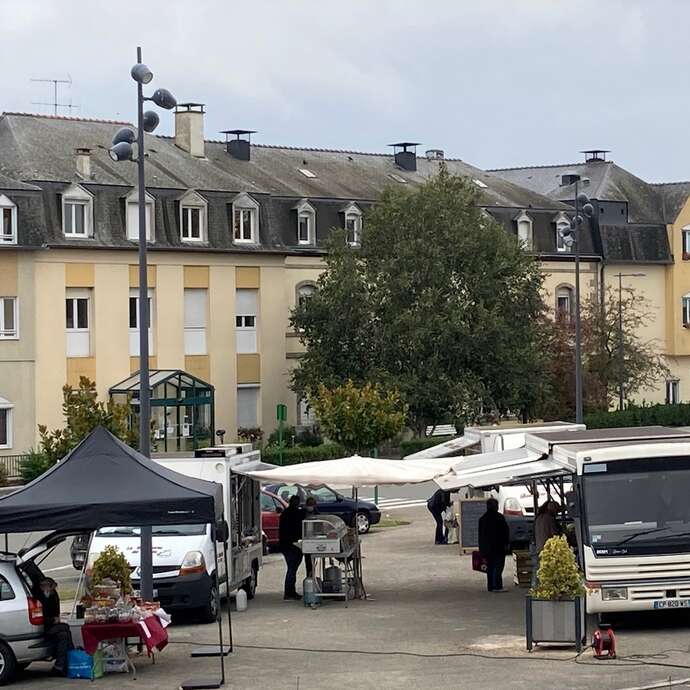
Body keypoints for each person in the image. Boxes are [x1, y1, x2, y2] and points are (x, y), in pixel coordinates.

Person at [36, 577, 73, 676]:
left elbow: (56, 613)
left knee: (64, 635)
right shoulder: (39, 598)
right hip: (44, 626)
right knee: (65, 628)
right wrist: (53, 620)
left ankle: (60, 665)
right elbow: (41, 617)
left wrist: (55, 619)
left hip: (53, 625)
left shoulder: (53, 596)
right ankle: (69, 660)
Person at [478, 497, 510, 592]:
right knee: (498, 566)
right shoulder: (499, 517)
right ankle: (497, 586)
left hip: (486, 548)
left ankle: (490, 586)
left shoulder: (482, 519)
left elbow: (480, 535)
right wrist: (507, 543)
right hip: (498, 546)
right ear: (496, 506)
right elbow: (505, 532)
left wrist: (481, 548)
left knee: (490, 567)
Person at [279, 495, 305, 600]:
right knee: (292, 568)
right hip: (291, 545)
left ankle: (290, 591)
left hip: (285, 544)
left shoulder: (285, 513)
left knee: (291, 568)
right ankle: (289, 592)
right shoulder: (295, 513)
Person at [303, 496, 319, 578]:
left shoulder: (316, 512)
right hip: (305, 538)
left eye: (312, 504)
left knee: (312, 560)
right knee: (308, 560)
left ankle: (312, 576)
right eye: (309, 504)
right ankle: (309, 576)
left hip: (314, 537)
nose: (311, 506)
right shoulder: (302, 512)